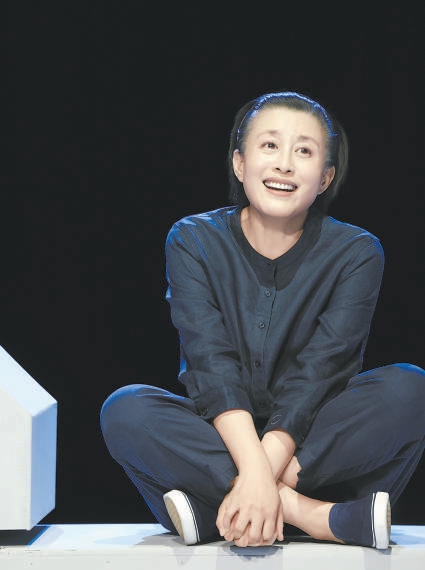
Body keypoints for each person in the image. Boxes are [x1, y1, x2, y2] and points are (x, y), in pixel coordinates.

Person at [100, 91, 425, 550]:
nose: (285, 164)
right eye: (270, 145)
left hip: (314, 440)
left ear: (325, 177)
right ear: (240, 163)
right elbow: (210, 365)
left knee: (412, 390)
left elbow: (320, 373)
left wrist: (258, 476)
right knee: (126, 411)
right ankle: (310, 515)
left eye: (304, 151)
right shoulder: (193, 239)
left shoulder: (357, 251)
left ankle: (221, 510)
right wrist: (254, 471)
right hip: (219, 435)